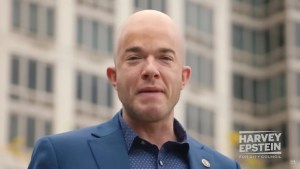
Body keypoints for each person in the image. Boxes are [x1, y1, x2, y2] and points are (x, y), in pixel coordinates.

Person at [28, 10, 240, 169]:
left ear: (183, 77)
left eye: (165, 58)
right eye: (134, 58)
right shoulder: (61, 156)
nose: (150, 70)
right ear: (114, 77)